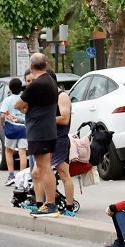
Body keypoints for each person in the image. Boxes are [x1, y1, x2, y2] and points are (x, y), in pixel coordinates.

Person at [16, 53, 59, 217]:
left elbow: (18, 104)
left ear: (31, 66)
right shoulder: (50, 81)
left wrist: (25, 108)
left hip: (39, 130)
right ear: (46, 64)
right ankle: (49, 204)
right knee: (44, 167)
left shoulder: (36, 84)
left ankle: (50, 205)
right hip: (48, 129)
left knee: (44, 167)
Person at [51, 72, 76, 217]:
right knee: (42, 172)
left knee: (64, 173)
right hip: (49, 138)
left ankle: (69, 207)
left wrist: (44, 118)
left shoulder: (62, 96)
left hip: (59, 139)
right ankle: (51, 202)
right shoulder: (48, 96)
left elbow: (65, 119)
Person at [0, 77, 28, 186]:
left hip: (11, 127)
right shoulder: (24, 98)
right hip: (24, 127)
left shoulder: (7, 100)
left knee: (8, 151)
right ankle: (21, 177)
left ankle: (11, 175)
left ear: (10, 89)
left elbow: (3, 115)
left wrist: (2, 123)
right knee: (22, 152)